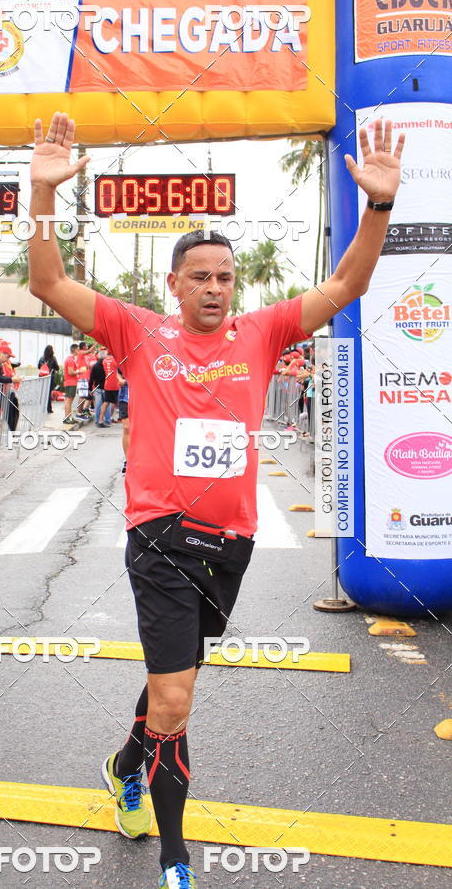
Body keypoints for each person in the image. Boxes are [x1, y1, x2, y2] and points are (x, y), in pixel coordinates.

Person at [27, 111, 404, 889]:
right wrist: (42, 192)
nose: (213, 288)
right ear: (175, 284)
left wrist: (377, 207)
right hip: (161, 537)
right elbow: (49, 282)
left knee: (177, 680)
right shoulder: (137, 333)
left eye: (225, 277)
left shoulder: (262, 334)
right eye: (199, 275)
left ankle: (125, 760)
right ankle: (173, 859)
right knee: (175, 699)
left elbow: (348, 283)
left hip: (231, 544)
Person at [89, 347, 111, 427]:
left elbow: (91, 378)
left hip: (97, 388)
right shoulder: (107, 365)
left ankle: (97, 420)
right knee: (107, 404)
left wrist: (90, 388)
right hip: (106, 387)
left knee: (98, 405)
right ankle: (107, 420)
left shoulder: (95, 366)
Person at [100, 350, 120, 425]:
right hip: (115, 384)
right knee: (114, 403)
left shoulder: (104, 360)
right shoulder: (115, 359)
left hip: (107, 384)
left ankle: (101, 419)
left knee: (106, 402)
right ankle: (110, 418)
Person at [38, 345, 59, 413]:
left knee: (42, 393)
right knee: (48, 393)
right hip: (50, 377)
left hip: (42, 377)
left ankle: (41, 408)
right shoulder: (53, 358)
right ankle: (49, 409)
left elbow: (39, 367)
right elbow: (57, 368)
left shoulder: (42, 358)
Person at [63, 342, 79, 424]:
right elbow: (70, 372)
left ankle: (69, 417)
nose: (79, 351)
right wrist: (79, 371)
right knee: (69, 400)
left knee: (69, 400)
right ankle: (67, 418)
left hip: (70, 382)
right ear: (75, 350)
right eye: (78, 349)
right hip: (70, 382)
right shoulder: (70, 360)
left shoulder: (70, 359)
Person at [117, 372, 129, 473]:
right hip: (125, 397)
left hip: (142, 397)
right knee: (127, 428)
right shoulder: (125, 357)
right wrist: (120, 379)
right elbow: (117, 370)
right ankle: (128, 461)